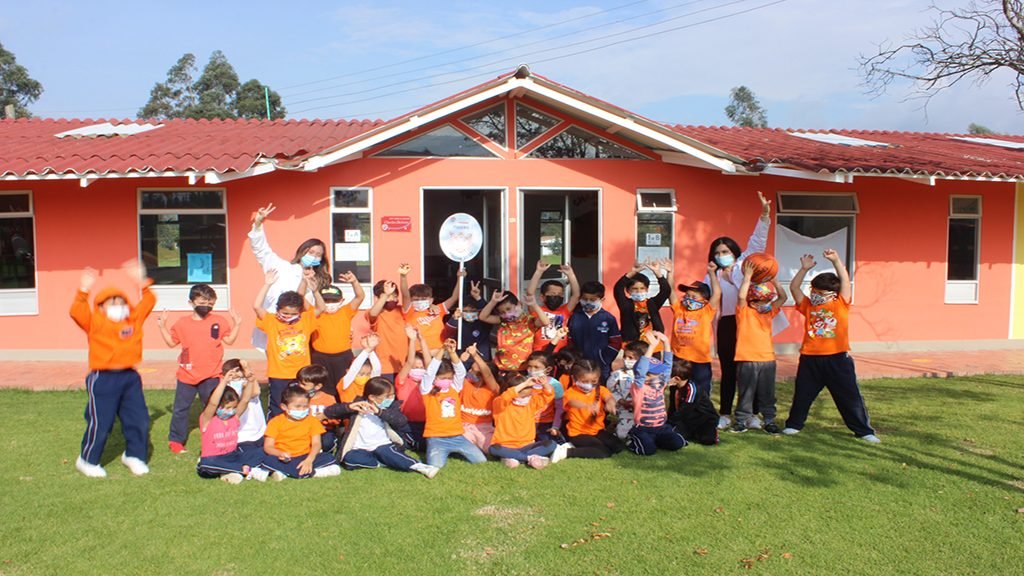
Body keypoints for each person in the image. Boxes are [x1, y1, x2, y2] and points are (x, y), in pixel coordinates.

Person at [783, 250, 880, 443]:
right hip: (810, 360)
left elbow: (845, 281)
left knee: (849, 397)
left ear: (832, 294)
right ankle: (794, 425)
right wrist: (804, 269)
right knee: (802, 395)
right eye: (814, 291)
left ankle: (863, 431)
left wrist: (836, 261)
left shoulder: (840, 304)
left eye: (820, 292)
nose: (816, 295)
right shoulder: (809, 306)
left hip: (838, 359)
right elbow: (794, 288)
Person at [70, 259, 155, 478]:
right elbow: (76, 311)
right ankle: (87, 460)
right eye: (111, 302)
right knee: (101, 421)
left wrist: (140, 281)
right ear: (100, 306)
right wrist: (84, 289)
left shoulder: (132, 319)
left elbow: (149, 300)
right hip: (103, 378)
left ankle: (134, 455)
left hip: (130, 376)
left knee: (139, 419)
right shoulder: (95, 321)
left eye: (120, 301)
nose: (117, 305)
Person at [705, 191, 777, 429]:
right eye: (717, 252)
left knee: (751, 370)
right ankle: (725, 413)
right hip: (727, 324)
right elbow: (708, 301)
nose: (721, 255)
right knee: (728, 370)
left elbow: (758, 240)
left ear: (735, 252)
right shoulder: (711, 275)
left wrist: (765, 215)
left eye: (725, 251)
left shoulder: (745, 264)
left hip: (750, 322)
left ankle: (752, 414)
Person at [156, 283, 242, 454]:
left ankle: (215, 435)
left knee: (211, 406)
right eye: (203, 301)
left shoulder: (219, 321)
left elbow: (230, 340)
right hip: (186, 374)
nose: (207, 305)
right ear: (191, 302)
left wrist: (237, 323)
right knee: (181, 409)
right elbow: (171, 342)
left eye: (211, 303)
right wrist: (162, 327)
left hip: (211, 374)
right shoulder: (182, 323)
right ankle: (176, 441)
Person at [248, 203, 332, 350]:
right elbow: (261, 249)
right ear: (302, 251)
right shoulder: (281, 267)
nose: (314, 256)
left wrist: (307, 281)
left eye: (318, 255)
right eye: (311, 252)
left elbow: (317, 309)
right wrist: (258, 224)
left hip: (298, 332)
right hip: (272, 325)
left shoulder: (319, 280)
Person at [327, 377, 439, 478]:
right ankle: (382, 462)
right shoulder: (357, 406)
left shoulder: (390, 407)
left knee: (388, 453)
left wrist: (380, 412)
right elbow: (330, 411)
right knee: (349, 460)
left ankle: (419, 466)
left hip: (382, 444)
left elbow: (401, 421)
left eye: (392, 395)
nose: (391, 398)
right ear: (372, 397)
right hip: (360, 447)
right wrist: (348, 407)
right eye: (387, 396)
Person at [253, 269, 325, 417]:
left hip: (302, 374)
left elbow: (321, 308)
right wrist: (267, 285)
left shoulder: (306, 319)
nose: (289, 317)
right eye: (285, 313)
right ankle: (275, 433)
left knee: (301, 404)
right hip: (278, 373)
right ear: (278, 310)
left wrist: (315, 291)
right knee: (278, 406)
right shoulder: (271, 321)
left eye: (293, 314)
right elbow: (256, 306)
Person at [731, 261, 787, 434]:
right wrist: (747, 277)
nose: (762, 303)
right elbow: (741, 297)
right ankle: (741, 420)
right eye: (758, 300)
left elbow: (783, 298)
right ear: (751, 300)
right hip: (747, 358)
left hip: (767, 359)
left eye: (765, 300)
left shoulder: (769, 311)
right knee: (746, 392)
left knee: (767, 392)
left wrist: (775, 280)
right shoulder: (744, 311)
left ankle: (769, 420)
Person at [195, 361, 269, 483]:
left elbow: (245, 400)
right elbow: (213, 402)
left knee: (262, 451)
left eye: (232, 407)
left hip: (232, 456)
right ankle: (248, 470)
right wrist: (224, 381)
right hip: (214, 458)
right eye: (226, 408)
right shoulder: (207, 420)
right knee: (206, 463)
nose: (229, 411)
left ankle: (232, 471)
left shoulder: (234, 417)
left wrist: (250, 381)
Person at [420, 339, 488, 468]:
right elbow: (430, 372)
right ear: (435, 378)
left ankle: (454, 451)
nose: (447, 381)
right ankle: (444, 452)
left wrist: (452, 353)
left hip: (457, 436)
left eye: (449, 378)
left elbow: (461, 372)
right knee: (436, 466)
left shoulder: (454, 388)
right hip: (436, 438)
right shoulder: (427, 390)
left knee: (481, 461)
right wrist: (442, 350)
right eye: (443, 378)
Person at [489, 374, 570, 469]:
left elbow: (548, 395)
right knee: (493, 449)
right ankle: (529, 458)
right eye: (523, 396)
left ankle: (514, 458)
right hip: (505, 445)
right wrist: (524, 384)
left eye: (529, 395)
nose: (526, 398)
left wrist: (545, 384)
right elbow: (507, 395)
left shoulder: (531, 403)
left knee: (551, 444)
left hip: (527, 445)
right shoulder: (501, 405)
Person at [262, 384, 342, 480]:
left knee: (329, 458)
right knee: (268, 460)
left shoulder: (312, 421)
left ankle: (287, 472)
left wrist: (309, 460)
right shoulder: (275, 422)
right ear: (284, 407)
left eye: (305, 407)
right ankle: (313, 472)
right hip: (284, 458)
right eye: (297, 406)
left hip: (306, 456)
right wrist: (279, 453)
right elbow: (268, 446)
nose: (302, 410)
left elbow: (316, 444)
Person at [626, 331, 687, 456]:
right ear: (646, 375)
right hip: (643, 429)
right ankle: (632, 441)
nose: (660, 375)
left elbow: (668, 365)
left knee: (678, 443)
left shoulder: (660, 385)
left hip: (661, 427)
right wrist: (651, 347)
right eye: (655, 373)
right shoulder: (639, 387)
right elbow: (641, 370)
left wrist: (666, 343)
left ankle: (656, 440)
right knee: (647, 451)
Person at [669, 262, 721, 397]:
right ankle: (676, 415)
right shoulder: (679, 309)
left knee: (700, 392)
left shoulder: (706, 311)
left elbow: (717, 294)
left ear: (704, 300)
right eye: (687, 296)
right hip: (679, 359)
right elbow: (670, 291)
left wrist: (712, 273)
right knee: (677, 391)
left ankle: (701, 417)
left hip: (699, 360)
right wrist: (669, 273)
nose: (689, 299)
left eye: (694, 297)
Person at [310, 274, 365, 397]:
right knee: (322, 390)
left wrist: (354, 281)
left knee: (345, 388)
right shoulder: (315, 313)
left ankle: (344, 414)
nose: (330, 304)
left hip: (343, 358)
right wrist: (309, 286)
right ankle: (326, 414)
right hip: (320, 358)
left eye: (334, 300)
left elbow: (360, 297)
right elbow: (300, 299)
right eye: (326, 300)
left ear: (341, 301)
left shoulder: (345, 311)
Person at [562, 359, 624, 458]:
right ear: (574, 379)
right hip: (578, 433)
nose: (589, 385)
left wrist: (610, 403)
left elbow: (609, 397)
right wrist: (586, 406)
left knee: (618, 446)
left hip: (597, 430)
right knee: (603, 452)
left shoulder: (600, 389)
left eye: (594, 381)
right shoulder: (570, 392)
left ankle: (589, 446)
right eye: (585, 381)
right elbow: (572, 402)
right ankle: (567, 452)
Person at [479, 289, 550, 374]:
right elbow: (483, 317)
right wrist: (493, 302)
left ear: (519, 304)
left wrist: (534, 305)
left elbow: (546, 322)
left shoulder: (529, 321)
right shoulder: (502, 321)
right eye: (502, 312)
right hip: (502, 368)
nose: (507, 313)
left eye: (509, 309)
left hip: (522, 368)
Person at [568, 281, 623, 381]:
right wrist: (574, 358)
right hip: (579, 365)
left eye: (593, 299)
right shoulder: (574, 317)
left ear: (602, 299)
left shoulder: (608, 318)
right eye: (585, 299)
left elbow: (616, 341)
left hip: (601, 366)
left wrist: (604, 358)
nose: (588, 302)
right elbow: (569, 339)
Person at [400, 263, 461, 353]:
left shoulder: (438, 309)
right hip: (420, 354)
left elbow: (454, 297)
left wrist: (459, 278)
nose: (420, 301)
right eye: (416, 299)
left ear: (431, 300)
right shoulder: (409, 311)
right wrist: (403, 276)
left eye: (424, 299)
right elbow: (405, 294)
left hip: (440, 352)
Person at [614, 259, 671, 347]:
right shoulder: (626, 304)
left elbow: (666, 290)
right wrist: (632, 273)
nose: (639, 291)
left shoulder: (652, 303)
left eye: (642, 288)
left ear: (647, 289)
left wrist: (657, 273)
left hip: (653, 346)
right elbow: (618, 289)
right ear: (628, 291)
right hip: (632, 346)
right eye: (635, 289)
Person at [526, 260, 580, 352]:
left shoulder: (564, 310)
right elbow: (530, 294)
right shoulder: (537, 310)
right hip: (541, 353)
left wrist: (571, 275)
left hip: (561, 353)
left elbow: (576, 295)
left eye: (560, 294)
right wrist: (538, 272)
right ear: (543, 297)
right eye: (552, 294)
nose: (556, 296)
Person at [460, 344, 500, 452]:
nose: (469, 372)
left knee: (492, 449)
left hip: (484, 428)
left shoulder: (493, 389)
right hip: (464, 427)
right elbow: (457, 372)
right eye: (470, 369)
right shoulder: (466, 383)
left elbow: (488, 375)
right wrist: (461, 360)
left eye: (474, 371)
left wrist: (475, 355)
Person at [395, 326, 430, 449]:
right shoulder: (402, 381)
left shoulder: (428, 382)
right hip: (408, 423)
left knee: (425, 444)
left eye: (421, 368)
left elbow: (430, 363)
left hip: (427, 423)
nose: (418, 370)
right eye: (416, 367)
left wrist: (422, 340)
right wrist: (412, 340)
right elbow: (409, 362)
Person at [366, 279, 408, 378]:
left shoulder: (402, 310)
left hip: (405, 366)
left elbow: (407, 296)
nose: (392, 299)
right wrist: (385, 295)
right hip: (385, 367)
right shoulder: (375, 312)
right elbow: (372, 314)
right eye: (388, 296)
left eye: (394, 296)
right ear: (378, 297)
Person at [296, 364, 342, 453]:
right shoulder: (296, 398)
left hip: (324, 430)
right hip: (304, 431)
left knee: (326, 442)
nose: (300, 386)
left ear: (317, 386)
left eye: (304, 384)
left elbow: (337, 419)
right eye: (299, 383)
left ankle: (326, 452)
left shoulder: (328, 399)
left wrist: (325, 417)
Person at [442, 279, 492, 359]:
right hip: (462, 357)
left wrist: (478, 298)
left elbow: (488, 310)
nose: (469, 313)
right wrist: (454, 319)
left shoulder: (483, 323)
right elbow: (446, 335)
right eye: (466, 311)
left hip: (481, 357)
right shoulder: (458, 322)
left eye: (473, 311)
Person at [607, 341, 646, 440]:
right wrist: (620, 400)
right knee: (622, 435)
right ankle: (618, 425)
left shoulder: (648, 375)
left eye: (630, 358)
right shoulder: (618, 374)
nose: (626, 360)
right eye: (625, 356)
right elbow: (610, 389)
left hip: (645, 412)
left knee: (645, 434)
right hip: (626, 410)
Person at [523, 351, 565, 443]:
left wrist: (555, 426)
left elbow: (559, 408)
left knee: (547, 442)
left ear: (548, 369)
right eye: (529, 366)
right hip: (526, 422)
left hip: (546, 423)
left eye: (536, 367)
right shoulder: (523, 382)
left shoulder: (555, 384)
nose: (532, 370)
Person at [338, 334, 383, 403]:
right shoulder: (346, 384)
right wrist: (367, 350)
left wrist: (371, 349)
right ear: (347, 371)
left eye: (368, 374)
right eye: (361, 374)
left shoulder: (369, 384)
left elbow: (377, 369)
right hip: (350, 413)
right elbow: (354, 369)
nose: (364, 377)